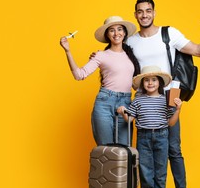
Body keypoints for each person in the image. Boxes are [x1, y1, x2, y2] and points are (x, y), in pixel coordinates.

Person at [126, 0, 200, 188]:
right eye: (140, 11)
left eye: (148, 11)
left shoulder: (168, 33)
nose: (144, 15)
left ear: (154, 12)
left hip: (170, 93)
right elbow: (118, 59)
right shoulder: (131, 41)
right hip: (145, 97)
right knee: (146, 151)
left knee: (172, 147)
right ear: (135, 15)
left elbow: (199, 50)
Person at [59, 16, 140, 146]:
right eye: (112, 30)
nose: (116, 33)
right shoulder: (101, 55)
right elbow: (79, 75)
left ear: (124, 33)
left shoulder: (131, 55)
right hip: (104, 103)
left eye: (119, 29)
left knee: (125, 151)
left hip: (125, 104)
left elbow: (138, 83)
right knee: (105, 151)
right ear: (107, 35)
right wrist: (67, 51)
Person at [117, 65, 182, 188]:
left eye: (153, 80)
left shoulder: (166, 101)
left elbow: (171, 123)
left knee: (160, 170)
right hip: (143, 137)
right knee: (145, 170)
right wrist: (123, 112)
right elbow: (130, 119)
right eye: (146, 80)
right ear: (142, 84)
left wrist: (178, 110)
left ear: (160, 82)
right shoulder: (138, 100)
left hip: (161, 136)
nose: (150, 83)